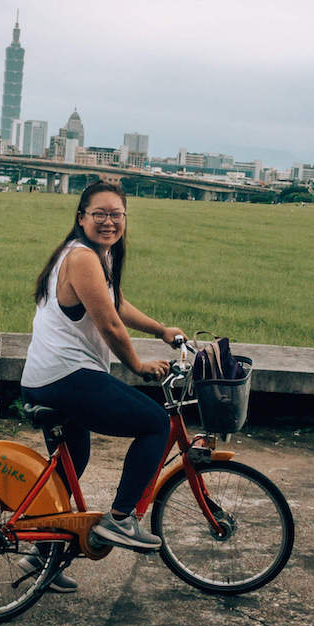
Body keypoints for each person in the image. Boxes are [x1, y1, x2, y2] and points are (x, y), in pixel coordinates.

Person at [19, 181, 185, 592]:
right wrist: (137, 365)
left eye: (116, 215)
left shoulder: (97, 257)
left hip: (47, 378)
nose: (109, 222)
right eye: (100, 214)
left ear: (125, 220)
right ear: (81, 218)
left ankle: (43, 554)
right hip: (66, 376)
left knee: (73, 460)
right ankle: (121, 518)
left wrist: (161, 330)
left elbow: (117, 305)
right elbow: (109, 324)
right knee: (154, 424)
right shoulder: (81, 258)